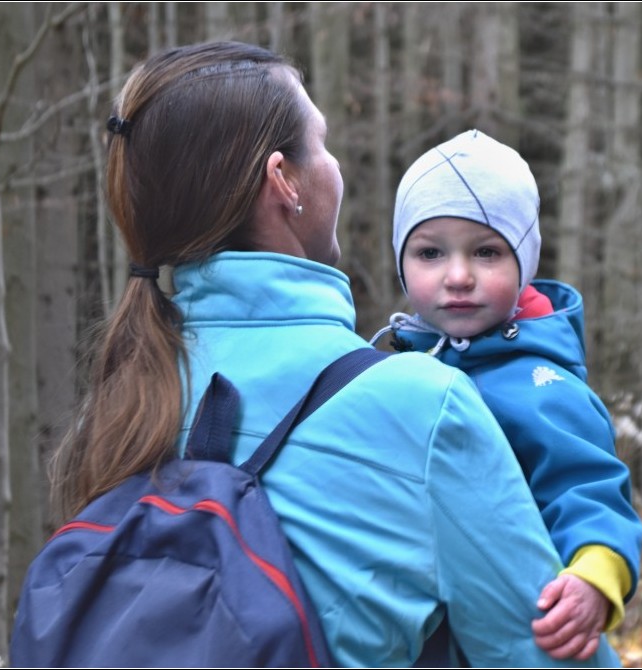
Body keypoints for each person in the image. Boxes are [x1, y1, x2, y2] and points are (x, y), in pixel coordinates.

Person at [51, 42, 612, 667]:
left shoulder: (116, 407)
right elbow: (547, 652)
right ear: (283, 180)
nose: (337, 167)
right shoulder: (423, 405)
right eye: (322, 144)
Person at [371, 129, 642, 662]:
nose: (458, 276)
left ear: (525, 262)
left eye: (487, 252)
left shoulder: (543, 385)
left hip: (514, 634)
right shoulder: (393, 366)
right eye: (430, 252)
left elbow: (589, 487)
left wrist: (595, 572)